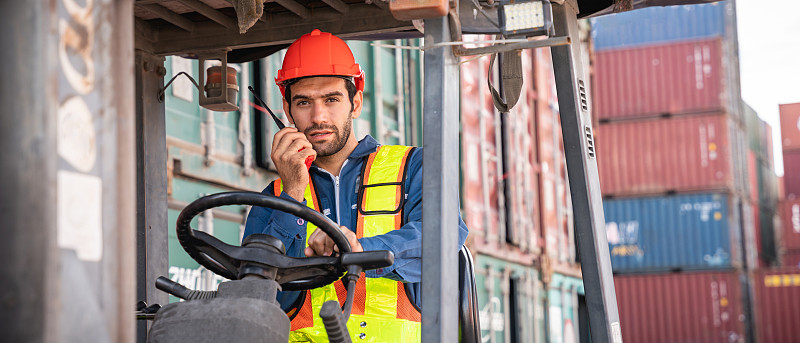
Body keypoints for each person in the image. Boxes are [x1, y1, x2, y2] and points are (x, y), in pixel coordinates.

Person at [242, 29, 469, 342]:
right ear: (287, 110)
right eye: (304, 102)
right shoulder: (274, 197)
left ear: (356, 103)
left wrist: (361, 250)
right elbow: (257, 295)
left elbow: (443, 239)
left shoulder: (413, 167)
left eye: (331, 99)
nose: (318, 116)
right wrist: (292, 192)